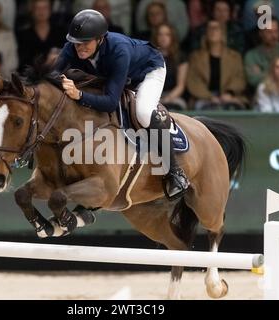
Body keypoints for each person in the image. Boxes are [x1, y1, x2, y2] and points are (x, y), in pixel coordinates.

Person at [55, 9, 190, 200]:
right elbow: (52, 73)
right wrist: (59, 80)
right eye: (76, 42)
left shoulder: (119, 50)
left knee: (143, 113)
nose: (80, 47)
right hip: (116, 76)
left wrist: (78, 94)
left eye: (85, 42)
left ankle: (176, 173)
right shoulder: (73, 45)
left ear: (100, 39)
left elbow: (110, 102)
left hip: (147, 72)